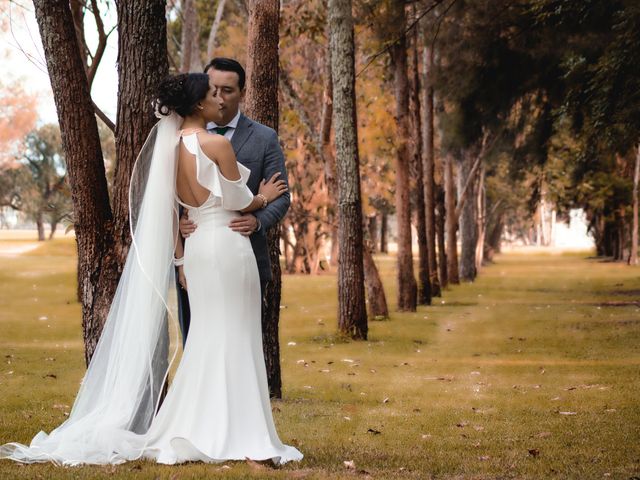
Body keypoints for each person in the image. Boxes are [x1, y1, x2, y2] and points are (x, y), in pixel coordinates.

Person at [0, 73, 303, 466]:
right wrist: (264, 196)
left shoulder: (169, 149)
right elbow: (238, 201)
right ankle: (241, 434)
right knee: (238, 336)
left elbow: (168, 211)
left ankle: (198, 427)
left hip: (195, 250)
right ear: (198, 105)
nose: (217, 100)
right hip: (227, 245)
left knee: (208, 337)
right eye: (211, 94)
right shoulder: (216, 144)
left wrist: (179, 257)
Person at [177, 57, 291, 342]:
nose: (220, 97)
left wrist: (257, 221)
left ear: (242, 92)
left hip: (244, 255)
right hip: (196, 255)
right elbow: (171, 197)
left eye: (227, 90)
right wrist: (180, 219)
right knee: (197, 339)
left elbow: (282, 195)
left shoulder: (264, 138)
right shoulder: (178, 139)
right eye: (213, 89)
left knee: (240, 341)